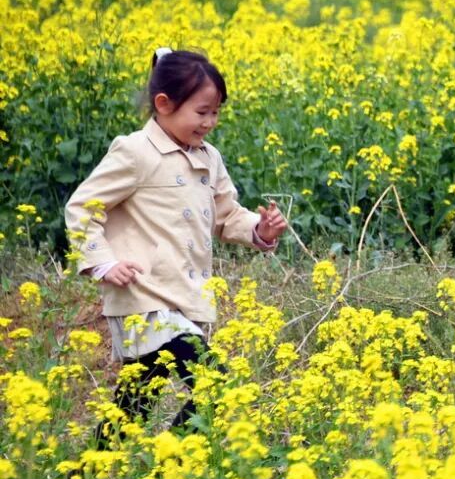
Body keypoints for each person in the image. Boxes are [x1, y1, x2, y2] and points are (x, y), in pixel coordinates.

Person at [65, 48, 288, 448]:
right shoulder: (135, 151)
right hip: (145, 299)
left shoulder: (209, 157)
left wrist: (261, 230)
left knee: (134, 405)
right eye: (202, 112)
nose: (210, 123)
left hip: (184, 300)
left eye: (216, 112)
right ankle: (169, 468)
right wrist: (101, 263)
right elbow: (84, 206)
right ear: (163, 105)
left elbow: (225, 214)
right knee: (218, 386)